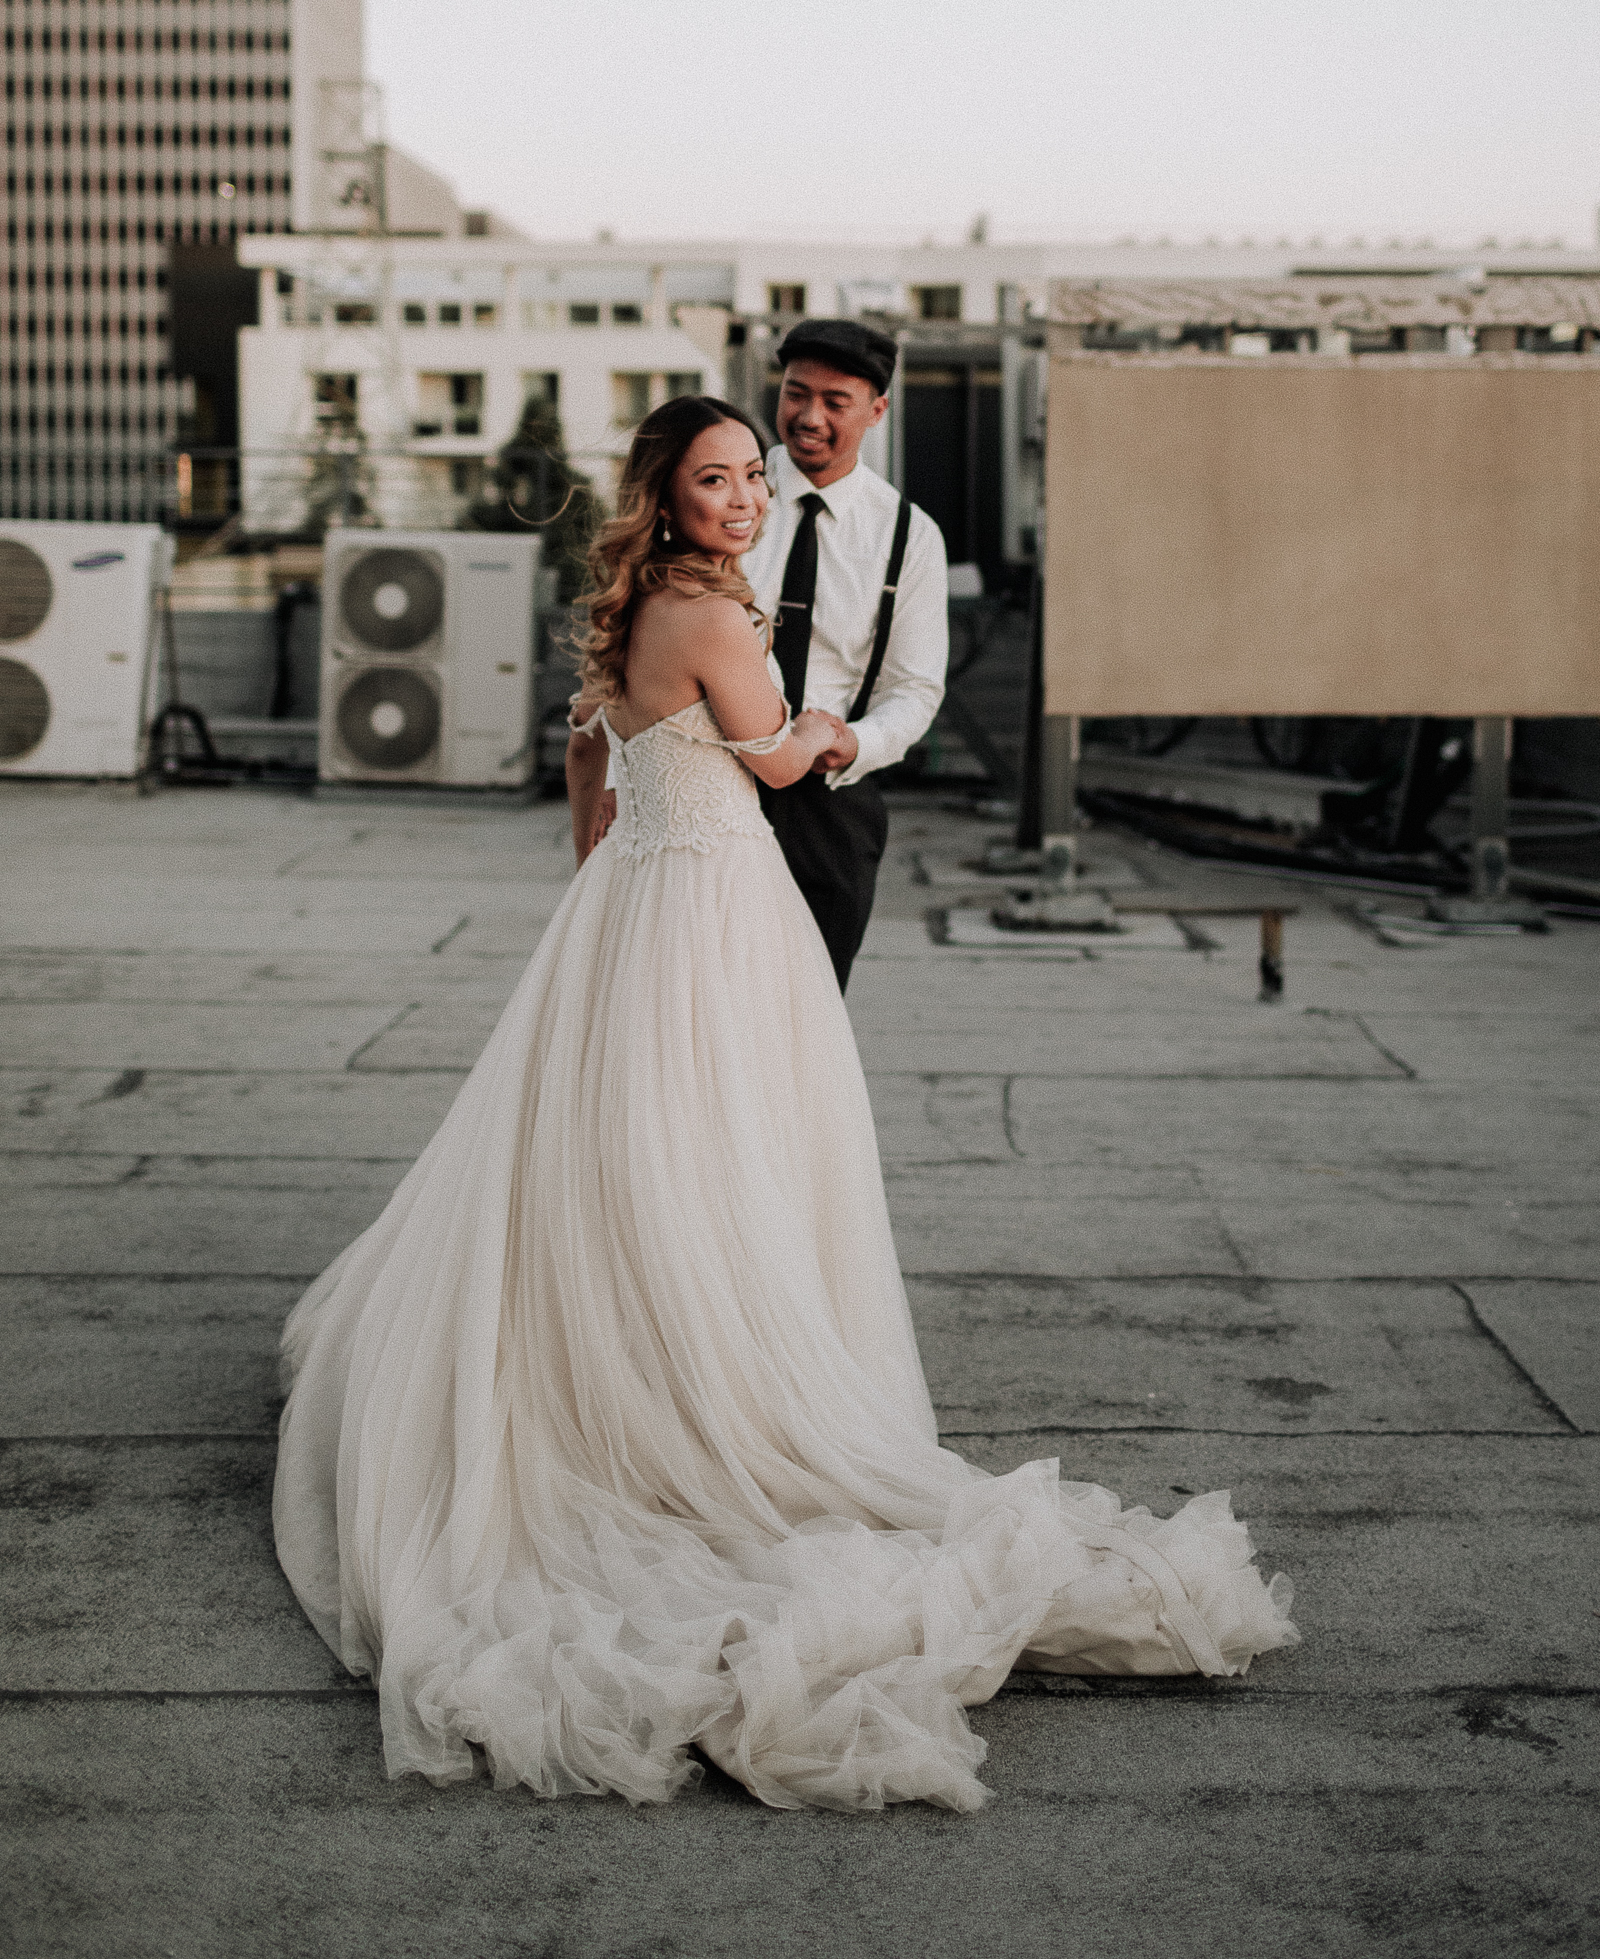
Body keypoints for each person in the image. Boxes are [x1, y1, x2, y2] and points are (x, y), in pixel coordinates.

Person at [272, 395, 1296, 1816]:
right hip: (713, 915)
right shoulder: (710, 613)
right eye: (717, 479)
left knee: (638, 1159)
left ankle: (641, 1355)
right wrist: (825, 724)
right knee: (723, 1153)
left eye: (757, 473)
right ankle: (702, 1396)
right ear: (668, 496)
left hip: (634, 908)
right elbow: (768, 760)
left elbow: (596, 784)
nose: (747, 496)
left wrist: (627, 833)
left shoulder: (636, 611)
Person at [741, 317, 948, 990]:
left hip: (828, 808)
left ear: (877, 411)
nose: (808, 417)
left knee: (808, 1016)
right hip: (715, 784)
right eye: (796, 393)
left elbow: (915, 687)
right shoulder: (725, 496)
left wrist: (856, 744)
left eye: (835, 402)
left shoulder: (909, 534)